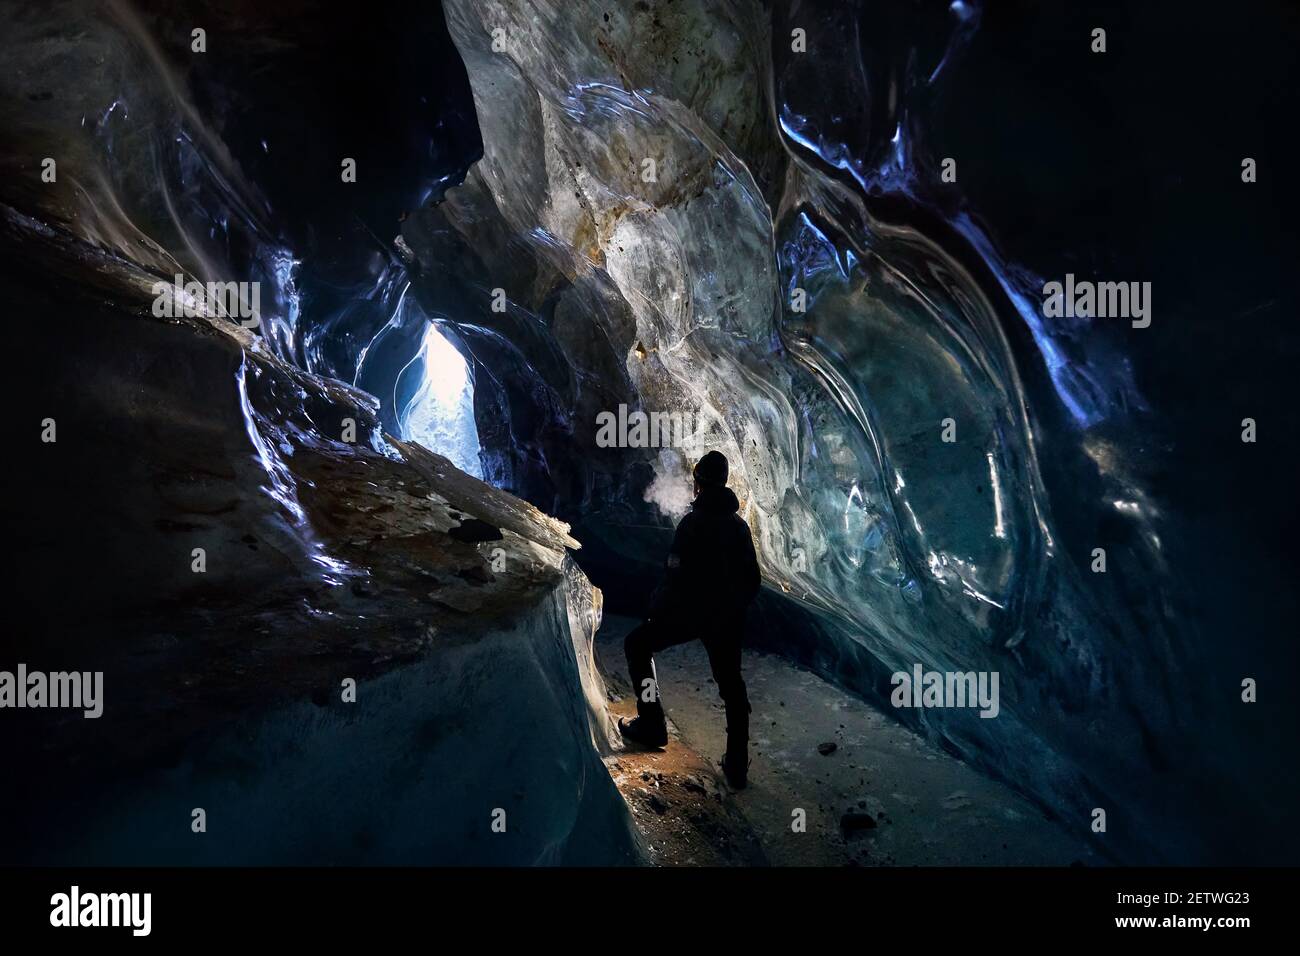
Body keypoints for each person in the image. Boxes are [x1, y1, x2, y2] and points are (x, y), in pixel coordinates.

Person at [619, 450, 761, 788]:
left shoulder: (693, 524)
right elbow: (752, 580)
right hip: (725, 619)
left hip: (689, 615)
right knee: (732, 687)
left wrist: (657, 610)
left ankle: (651, 722)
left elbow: (674, 576)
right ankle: (737, 765)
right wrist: (733, 610)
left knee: (637, 645)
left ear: (699, 483)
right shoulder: (738, 527)